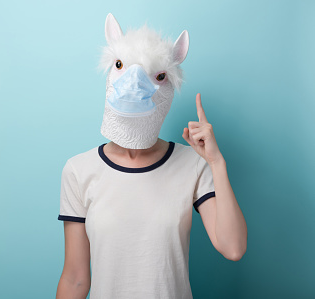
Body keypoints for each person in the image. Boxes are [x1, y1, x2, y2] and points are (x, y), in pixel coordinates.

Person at [56, 14, 247, 299]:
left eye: (157, 75)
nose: (134, 84)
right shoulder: (79, 170)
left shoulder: (192, 165)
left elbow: (233, 248)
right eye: (121, 66)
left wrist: (217, 163)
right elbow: (75, 278)